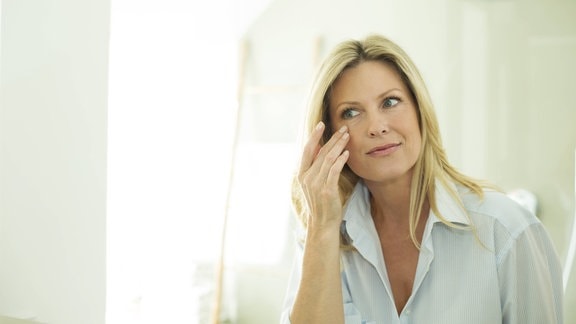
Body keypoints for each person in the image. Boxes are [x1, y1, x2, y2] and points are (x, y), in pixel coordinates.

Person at [280, 34, 563, 324]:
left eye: (390, 102)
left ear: (419, 110)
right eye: (351, 112)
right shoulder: (323, 237)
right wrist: (322, 230)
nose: (377, 127)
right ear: (328, 138)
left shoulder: (506, 229)